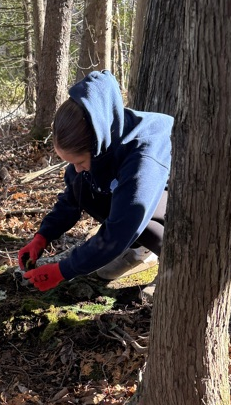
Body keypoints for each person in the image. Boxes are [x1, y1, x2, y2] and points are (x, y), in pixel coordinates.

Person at [18, 71, 173, 292]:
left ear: (97, 143)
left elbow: (121, 227)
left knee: (136, 214)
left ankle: (174, 268)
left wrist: (64, 270)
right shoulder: (103, 140)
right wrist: (43, 236)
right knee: (84, 184)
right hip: (141, 192)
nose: (76, 168)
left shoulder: (143, 156)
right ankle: (140, 251)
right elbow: (72, 198)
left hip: (188, 201)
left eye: (79, 160)